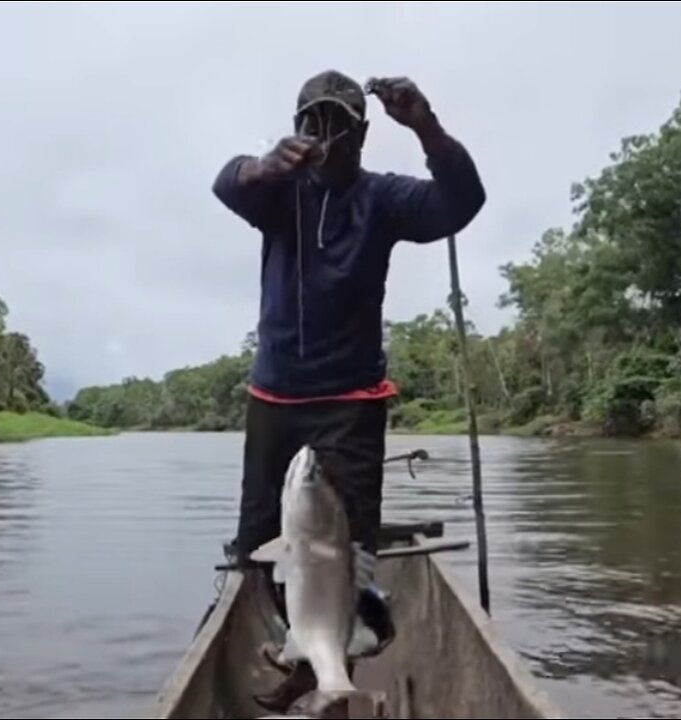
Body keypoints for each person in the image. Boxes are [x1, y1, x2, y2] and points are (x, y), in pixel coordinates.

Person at [211, 69, 485, 707]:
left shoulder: (383, 199)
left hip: (351, 404)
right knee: (258, 544)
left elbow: (461, 203)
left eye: (340, 123)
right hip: (275, 399)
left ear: (363, 132)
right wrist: (261, 165)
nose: (327, 135)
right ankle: (292, 649)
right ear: (299, 129)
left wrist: (425, 125)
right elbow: (227, 182)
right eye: (314, 123)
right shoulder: (276, 193)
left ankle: (340, 670)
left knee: (350, 549)